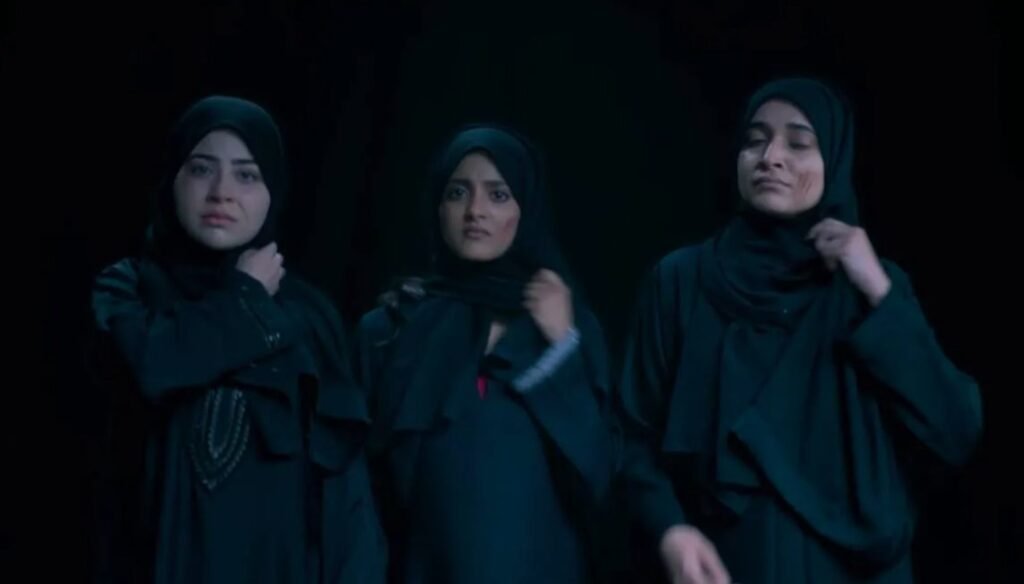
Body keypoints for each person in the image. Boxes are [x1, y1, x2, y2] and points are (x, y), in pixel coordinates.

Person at [616, 77, 984, 584]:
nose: (770, 157)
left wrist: (877, 291)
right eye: (755, 140)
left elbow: (954, 428)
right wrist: (670, 530)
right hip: (722, 569)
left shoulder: (869, 286)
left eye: (798, 142)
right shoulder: (681, 282)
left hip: (855, 570)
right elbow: (631, 435)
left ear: (833, 158)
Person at [88, 95, 387, 584]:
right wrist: (243, 297)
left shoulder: (308, 315)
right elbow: (153, 368)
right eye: (201, 169)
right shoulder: (129, 290)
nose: (222, 193)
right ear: (173, 179)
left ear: (273, 192)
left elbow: (345, 493)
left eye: (247, 175)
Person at [355, 125, 616, 583]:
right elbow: (362, 487)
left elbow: (601, 472)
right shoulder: (391, 327)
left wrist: (562, 347)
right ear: (437, 206)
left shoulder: (570, 324)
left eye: (498, 195)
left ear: (526, 208)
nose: (475, 211)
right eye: (458, 192)